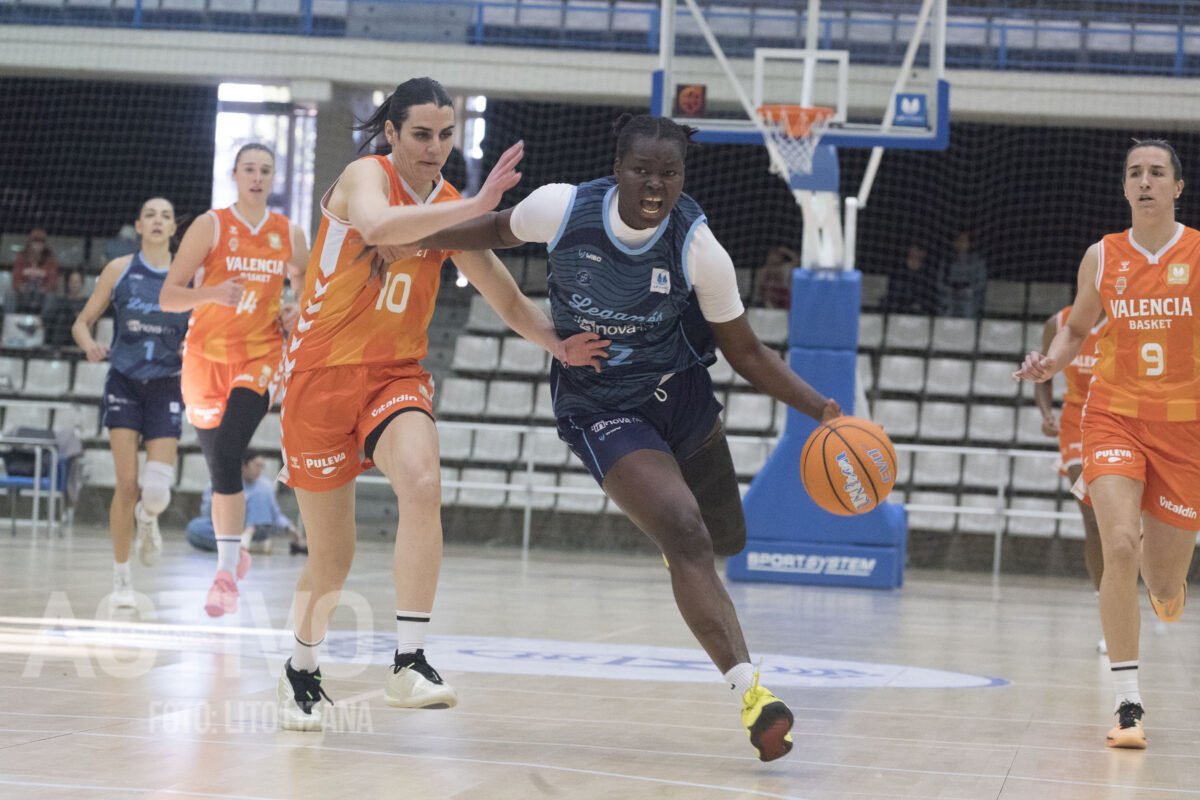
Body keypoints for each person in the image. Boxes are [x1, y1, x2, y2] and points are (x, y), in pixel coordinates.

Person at [414, 114, 841, 762]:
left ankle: (683, 552)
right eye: (642, 170)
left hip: (682, 396)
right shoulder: (562, 209)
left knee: (726, 538)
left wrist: (824, 409)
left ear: (682, 178)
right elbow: (496, 231)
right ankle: (754, 696)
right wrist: (419, 240)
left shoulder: (699, 248)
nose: (654, 185)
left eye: (669, 173)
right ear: (617, 169)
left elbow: (748, 353)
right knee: (684, 528)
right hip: (600, 404)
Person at [272, 77, 606, 732]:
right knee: (331, 560)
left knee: (424, 482)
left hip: (394, 375)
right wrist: (477, 204)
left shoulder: (454, 204)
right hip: (319, 379)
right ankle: (301, 669)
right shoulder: (362, 175)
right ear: (392, 133)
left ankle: (410, 661)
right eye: (421, 135)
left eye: (446, 136)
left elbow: (505, 297)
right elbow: (375, 225)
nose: (434, 148)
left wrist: (555, 343)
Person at [1015, 139, 1199, 750]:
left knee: (1166, 584)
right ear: (1124, 188)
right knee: (1117, 542)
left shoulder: (1198, 253)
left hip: (1185, 429)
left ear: (1178, 187)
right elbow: (1075, 328)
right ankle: (1128, 705)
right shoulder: (1101, 256)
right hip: (1114, 416)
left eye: (1157, 173)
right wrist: (1050, 362)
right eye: (1134, 173)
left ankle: (1164, 589)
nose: (1144, 181)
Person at [159, 143, 309, 618]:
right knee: (220, 468)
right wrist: (213, 292)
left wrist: (296, 309)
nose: (258, 177)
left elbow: (307, 292)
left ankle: (224, 576)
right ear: (235, 174)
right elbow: (168, 297)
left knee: (229, 452)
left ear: (273, 177)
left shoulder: (290, 233)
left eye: (266, 169)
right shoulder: (210, 225)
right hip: (204, 359)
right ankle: (235, 554)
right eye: (249, 169)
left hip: (260, 355)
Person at [71, 197, 190, 610]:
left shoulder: (190, 277)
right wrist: (89, 345)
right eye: (150, 215)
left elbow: (210, 331)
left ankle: (149, 519)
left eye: (166, 216)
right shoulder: (119, 270)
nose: (158, 221)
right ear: (138, 225)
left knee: (155, 492)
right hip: (123, 381)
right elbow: (81, 323)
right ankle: (122, 579)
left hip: (168, 386)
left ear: (175, 228)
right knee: (127, 484)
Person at [1034, 304, 1108, 654]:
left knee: (1123, 524)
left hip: (1120, 420)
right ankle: (1107, 609)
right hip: (1077, 424)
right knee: (1092, 516)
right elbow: (1044, 377)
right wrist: (1047, 414)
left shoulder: (1130, 318)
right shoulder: (1058, 324)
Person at [186, 449, 304, 555]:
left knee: (261, 492)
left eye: (262, 467)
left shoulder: (265, 485)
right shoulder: (222, 482)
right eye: (256, 466)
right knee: (194, 529)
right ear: (244, 465)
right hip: (230, 527)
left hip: (257, 529)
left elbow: (275, 514)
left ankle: (243, 540)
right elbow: (207, 513)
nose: (259, 470)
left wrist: (290, 527)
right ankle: (248, 546)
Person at [12, 227, 58, 313]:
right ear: (30, 242)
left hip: (41, 295)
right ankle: (11, 321)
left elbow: (53, 281)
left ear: (44, 244)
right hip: (24, 294)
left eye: (40, 242)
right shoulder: (21, 257)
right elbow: (15, 279)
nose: (37, 245)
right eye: (35, 241)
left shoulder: (50, 259)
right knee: (10, 295)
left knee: (51, 296)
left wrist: (45, 288)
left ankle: (43, 323)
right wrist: (20, 286)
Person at [941, 230, 986, 318]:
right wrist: (949, 290)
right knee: (947, 308)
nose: (961, 244)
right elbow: (939, 282)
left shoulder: (978, 261)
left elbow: (982, 283)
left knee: (967, 308)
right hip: (950, 296)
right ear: (954, 243)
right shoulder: (947, 261)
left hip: (970, 298)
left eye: (964, 241)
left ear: (969, 244)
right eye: (958, 241)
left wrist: (969, 291)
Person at [884, 243, 938, 315]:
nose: (913, 253)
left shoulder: (928, 272)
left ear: (923, 254)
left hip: (922, 308)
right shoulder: (899, 270)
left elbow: (929, 293)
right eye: (911, 250)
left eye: (917, 250)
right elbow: (893, 291)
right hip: (900, 307)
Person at [44, 269, 87, 347]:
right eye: (72, 281)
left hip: (76, 336)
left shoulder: (87, 303)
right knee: (60, 315)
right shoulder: (61, 301)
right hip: (59, 333)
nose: (74, 285)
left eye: (77, 282)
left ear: (82, 283)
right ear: (68, 283)